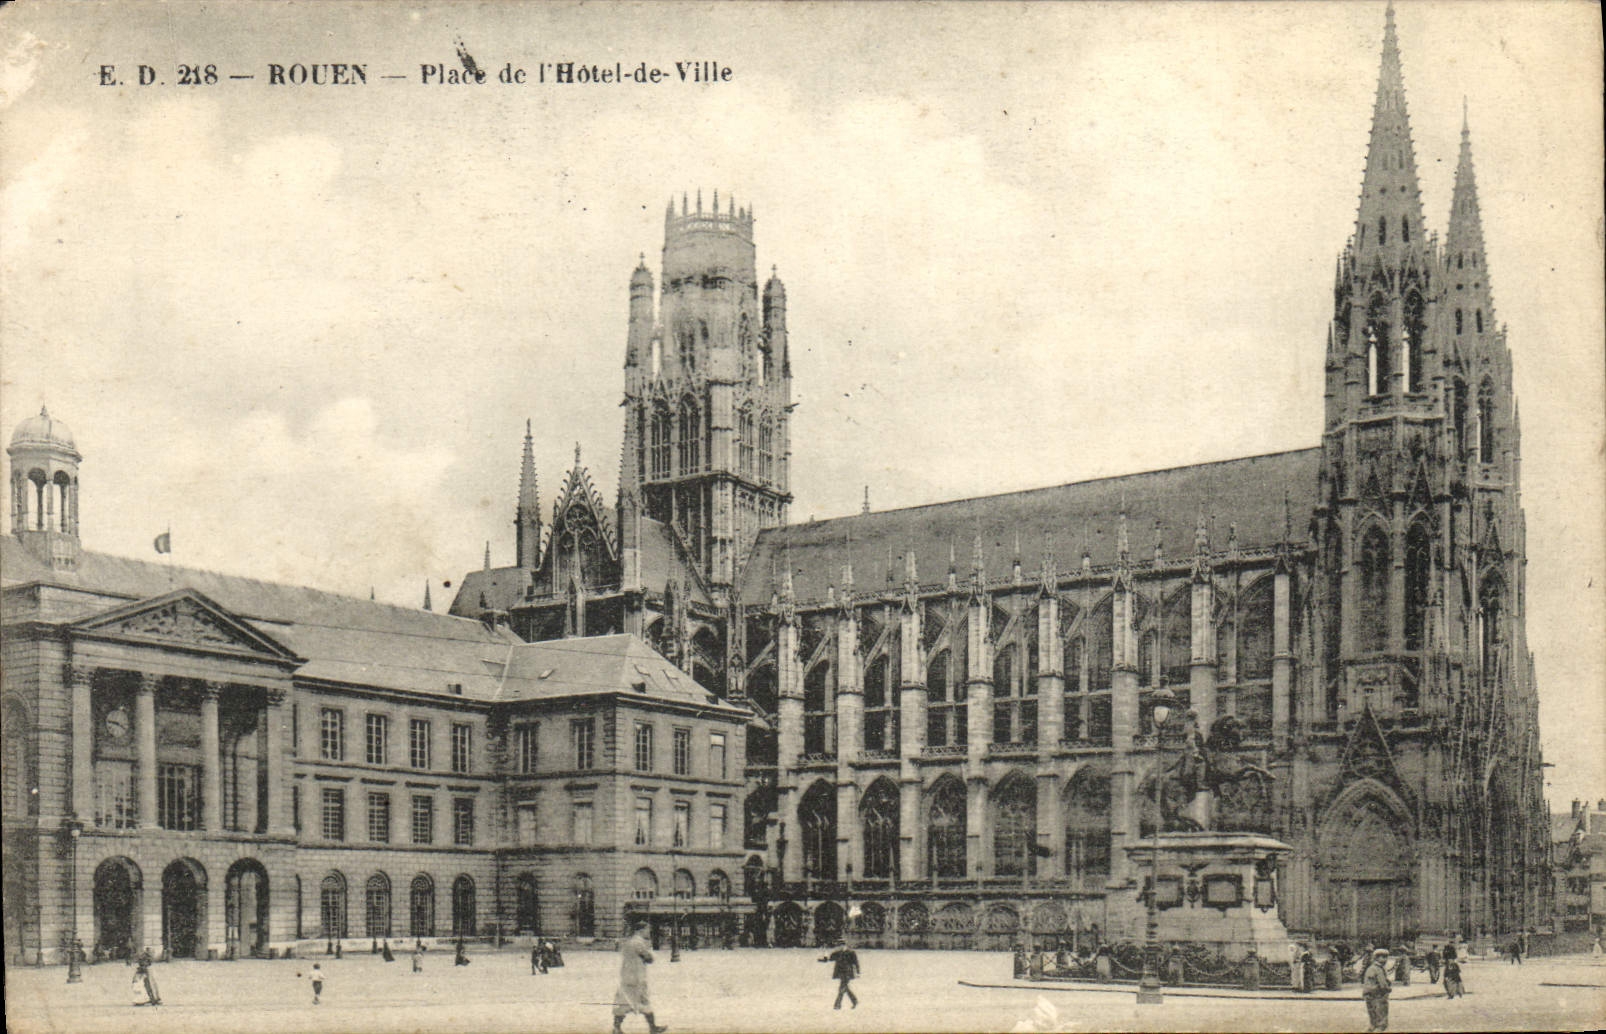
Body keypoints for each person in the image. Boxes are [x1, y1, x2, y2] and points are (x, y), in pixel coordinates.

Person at [613, 920, 667, 1034]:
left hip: (626, 975)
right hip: (637, 977)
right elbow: (649, 958)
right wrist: (650, 950)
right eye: (647, 930)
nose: (648, 932)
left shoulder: (628, 942)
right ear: (641, 930)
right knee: (644, 1001)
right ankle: (653, 1028)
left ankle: (617, 1028)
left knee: (623, 1003)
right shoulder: (639, 943)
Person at [819, 938, 861, 1010]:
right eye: (838, 946)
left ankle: (837, 1005)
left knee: (842, 988)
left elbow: (856, 963)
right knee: (845, 988)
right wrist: (824, 956)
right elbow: (828, 959)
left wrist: (858, 972)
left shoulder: (851, 953)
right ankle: (855, 1001)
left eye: (840, 945)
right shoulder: (837, 953)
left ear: (844, 945)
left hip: (848, 973)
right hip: (840, 973)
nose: (839, 947)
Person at [1362, 948, 1392, 1032]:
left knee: (1372, 1016)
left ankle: (1371, 1027)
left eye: (1386, 957)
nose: (1385, 960)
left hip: (1369, 994)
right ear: (1377, 958)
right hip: (1378, 995)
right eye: (1383, 957)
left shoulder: (1371, 968)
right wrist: (1388, 989)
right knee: (1381, 1016)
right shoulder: (1378, 969)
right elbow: (1383, 984)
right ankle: (1378, 1028)